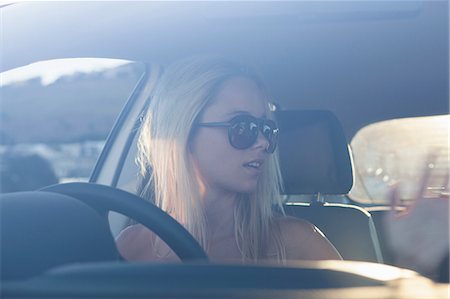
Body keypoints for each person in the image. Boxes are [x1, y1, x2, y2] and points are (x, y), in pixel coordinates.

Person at [116, 56, 341, 263]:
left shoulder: (298, 244)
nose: (263, 142)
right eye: (242, 127)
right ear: (183, 133)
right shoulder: (134, 246)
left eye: (266, 128)